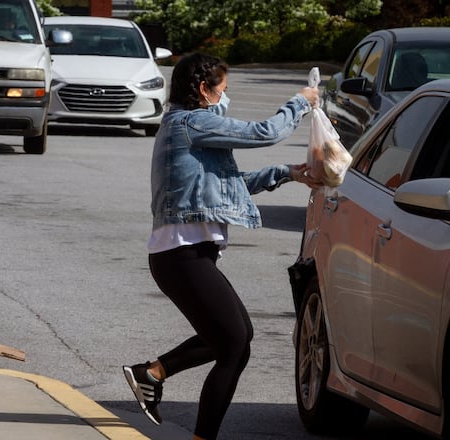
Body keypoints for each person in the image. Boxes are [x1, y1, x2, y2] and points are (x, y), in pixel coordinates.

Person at [122, 52, 321, 440]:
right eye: (222, 90)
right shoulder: (191, 122)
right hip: (180, 255)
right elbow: (264, 132)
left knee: (237, 338)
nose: (224, 98)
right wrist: (300, 101)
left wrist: (288, 173)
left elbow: (229, 187)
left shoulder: (189, 127)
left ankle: (152, 373)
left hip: (187, 255)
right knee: (233, 344)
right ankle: (195, 426)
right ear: (203, 89)